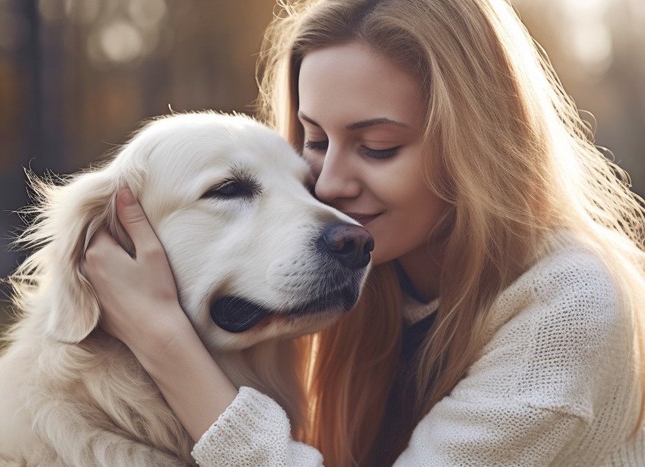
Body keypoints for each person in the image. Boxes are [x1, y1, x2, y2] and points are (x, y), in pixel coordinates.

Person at [82, 0, 645, 465]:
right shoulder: (373, 276)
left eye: (377, 148)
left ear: (477, 148)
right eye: (316, 142)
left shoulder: (569, 310)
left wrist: (162, 341)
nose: (327, 184)